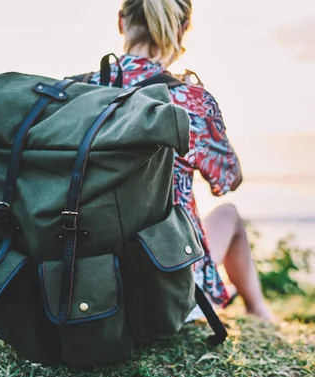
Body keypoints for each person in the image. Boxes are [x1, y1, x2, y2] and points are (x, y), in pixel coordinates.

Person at [90, 0, 274, 322]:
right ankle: (259, 311)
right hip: (169, 288)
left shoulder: (79, 91)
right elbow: (228, 179)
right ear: (181, 30)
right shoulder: (190, 101)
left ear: (121, 22)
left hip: (85, 281)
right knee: (229, 215)